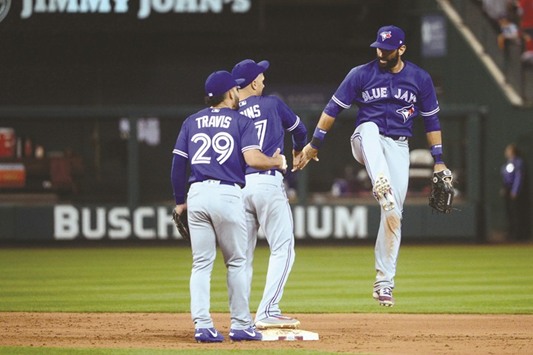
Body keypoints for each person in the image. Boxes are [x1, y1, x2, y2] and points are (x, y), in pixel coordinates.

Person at [293, 25, 452, 307]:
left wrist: (438, 161)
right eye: (378, 47)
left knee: (393, 213)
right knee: (367, 126)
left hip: (399, 146)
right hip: (366, 142)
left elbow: (432, 121)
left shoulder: (419, 78)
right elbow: (332, 109)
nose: (381, 52)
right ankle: (380, 181)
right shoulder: (360, 74)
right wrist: (314, 144)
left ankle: (384, 283)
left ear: (401, 49)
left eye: (387, 49)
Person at [170, 70, 287, 343]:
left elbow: (178, 166)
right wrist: (277, 162)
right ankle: (241, 324)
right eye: (234, 90)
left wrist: (179, 203)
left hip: (196, 193)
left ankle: (202, 326)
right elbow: (254, 160)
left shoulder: (191, 121)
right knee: (236, 262)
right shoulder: (241, 121)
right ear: (231, 93)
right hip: (226, 194)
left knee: (201, 264)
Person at [231, 59, 308, 329]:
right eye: (261, 77)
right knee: (283, 248)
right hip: (266, 182)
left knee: (241, 257)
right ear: (253, 82)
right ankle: (268, 310)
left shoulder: (228, 112)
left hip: (237, 188)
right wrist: (299, 151)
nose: (264, 80)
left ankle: (239, 318)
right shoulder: (272, 103)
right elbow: (300, 130)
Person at [500, 143, 531, 241]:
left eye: (508, 150)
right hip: (508, 190)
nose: (506, 152)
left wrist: (515, 191)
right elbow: (505, 177)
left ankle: (519, 235)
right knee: (510, 213)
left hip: (517, 192)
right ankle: (512, 233)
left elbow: (519, 177)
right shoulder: (508, 162)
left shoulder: (518, 162)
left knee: (517, 213)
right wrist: (504, 188)